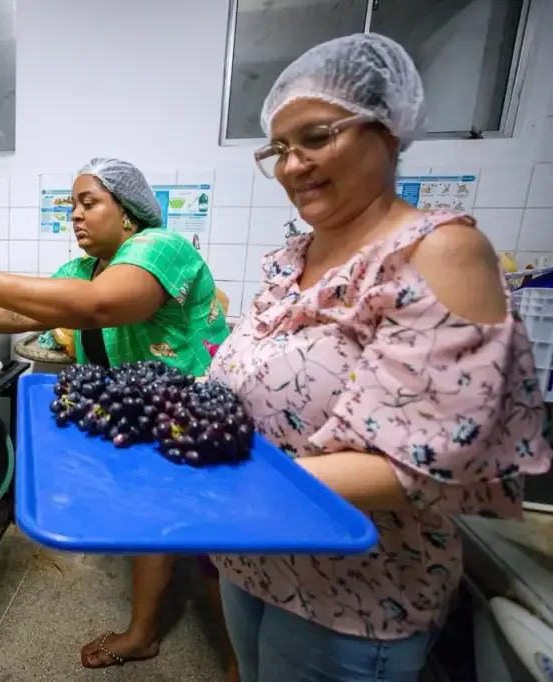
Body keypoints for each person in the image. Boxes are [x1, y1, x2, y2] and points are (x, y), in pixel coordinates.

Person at [205, 33, 552, 682]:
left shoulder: (440, 253)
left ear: (388, 131)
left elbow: (421, 463)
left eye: (316, 136)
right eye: (279, 148)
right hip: (251, 554)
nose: (292, 164)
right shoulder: (291, 264)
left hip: (354, 592)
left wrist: (211, 487)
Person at [0, 158, 238, 677]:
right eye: (71, 204)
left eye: (88, 202)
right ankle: (149, 632)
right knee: (157, 519)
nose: (74, 215)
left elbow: (102, 306)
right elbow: (19, 315)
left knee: (214, 546)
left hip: (189, 410)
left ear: (127, 212)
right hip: (139, 411)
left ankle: (238, 659)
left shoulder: (159, 247)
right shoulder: (81, 270)